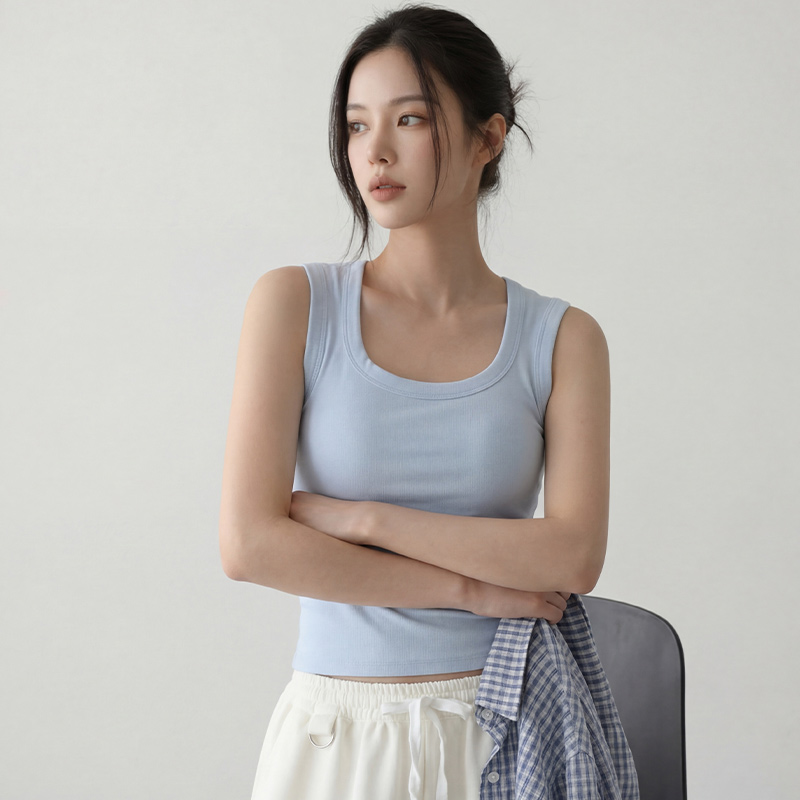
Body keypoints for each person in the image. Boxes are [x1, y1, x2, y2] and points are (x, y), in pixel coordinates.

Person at [218, 4, 612, 799]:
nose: (376, 152)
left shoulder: (563, 338)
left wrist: (365, 521)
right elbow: (250, 546)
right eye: (357, 125)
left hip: (503, 729)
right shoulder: (294, 305)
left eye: (410, 119)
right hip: (335, 736)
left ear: (488, 138)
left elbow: (572, 557)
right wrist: (467, 590)